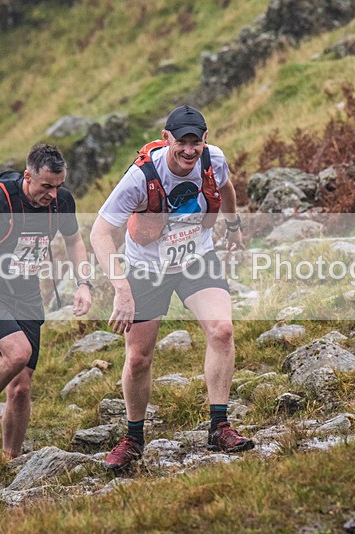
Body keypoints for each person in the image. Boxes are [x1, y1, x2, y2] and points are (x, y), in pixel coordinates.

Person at [91, 104, 252, 471]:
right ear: (167, 140)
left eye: (196, 142)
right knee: (138, 358)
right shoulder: (140, 177)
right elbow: (99, 232)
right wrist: (121, 288)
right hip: (147, 267)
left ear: (204, 140)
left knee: (222, 330)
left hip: (196, 258)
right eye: (182, 142)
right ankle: (133, 437)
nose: (189, 150)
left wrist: (234, 224)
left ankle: (219, 426)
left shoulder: (213, 159)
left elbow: (225, 186)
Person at [0, 144, 92, 458]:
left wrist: (83, 283)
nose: (53, 194)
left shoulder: (62, 201)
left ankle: (9, 461)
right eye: (46, 187)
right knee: (18, 353)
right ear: (28, 176)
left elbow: (74, 240)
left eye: (58, 186)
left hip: (26, 292)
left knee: (21, 386)